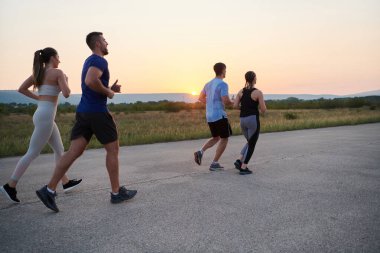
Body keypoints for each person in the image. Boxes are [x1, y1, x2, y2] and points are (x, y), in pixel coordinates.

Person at [35, 32, 137, 212]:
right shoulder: (100, 61)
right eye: (105, 40)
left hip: (84, 111)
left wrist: (109, 88)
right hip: (97, 112)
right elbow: (91, 81)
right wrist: (108, 93)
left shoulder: (89, 61)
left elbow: (91, 83)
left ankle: (49, 189)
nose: (107, 43)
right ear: (98, 43)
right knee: (112, 150)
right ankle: (116, 193)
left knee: (74, 151)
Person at [0, 47, 82, 203]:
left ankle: (65, 182)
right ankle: (10, 185)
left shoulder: (38, 73)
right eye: (58, 57)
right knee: (32, 153)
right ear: (52, 58)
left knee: (59, 149)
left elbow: (21, 89)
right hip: (45, 116)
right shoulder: (58, 73)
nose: (60, 60)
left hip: (42, 114)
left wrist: (39, 98)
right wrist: (66, 80)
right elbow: (66, 94)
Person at [194, 62, 233, 171]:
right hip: (219, 115)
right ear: (223, 70)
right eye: (225, 70)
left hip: (209, 116)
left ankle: (200, 152)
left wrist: (210, 102)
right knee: (224, 138)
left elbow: (200, 98)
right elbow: (225, 100)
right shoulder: (223, 84)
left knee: (216, 137)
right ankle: (214, 163)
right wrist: (234, 102)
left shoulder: (208, 84)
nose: (226, 72)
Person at [233, 71, 266, 175]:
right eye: (256, 77)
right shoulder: (258, 92)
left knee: (249, 141)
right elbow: (263, 109)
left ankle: (239, 160)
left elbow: (235, 106)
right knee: (252, 144)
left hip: (242, 120)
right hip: (252, 120)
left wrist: (244, 108)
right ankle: (244, 167)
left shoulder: (240, 92)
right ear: (254, 79)